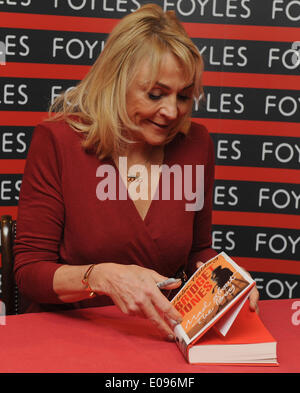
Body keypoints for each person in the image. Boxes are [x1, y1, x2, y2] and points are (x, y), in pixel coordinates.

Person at [14, 4, 259, 341]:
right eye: (155, 94)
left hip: (158, 334)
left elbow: (196, 251)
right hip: (69, 334)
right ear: (116, 82)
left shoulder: (196, 144)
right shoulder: (58, 140)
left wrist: (225, 277)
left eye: (184, 96)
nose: (172, 112)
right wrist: (101, 277)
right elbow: (29, 272)